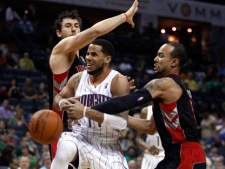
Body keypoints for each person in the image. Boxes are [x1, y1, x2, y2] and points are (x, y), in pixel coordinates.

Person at [68, 42, 207, 169]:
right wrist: (118, 117)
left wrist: (86, 110)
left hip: (185, 154)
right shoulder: (176, 86)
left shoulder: (165, 83)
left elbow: (128, 101)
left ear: (174, 62)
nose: (155, 59)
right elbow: (150, 127)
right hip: (180, 154)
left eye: (161, 56)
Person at [48, 0, 138, 164]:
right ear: (59, 33)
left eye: (76, 25)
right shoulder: (60, 51)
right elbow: (95, 31)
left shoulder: (83, 63)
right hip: (61, 126)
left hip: (83, 128)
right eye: (68, 26)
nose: (74, 28)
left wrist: (114, 89)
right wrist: (125, 16)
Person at [51, 39, 130, 169]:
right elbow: (57, 98)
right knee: (64, 149)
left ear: (107, 59)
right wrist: (62, 102)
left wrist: (85, 112)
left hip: (108, 146)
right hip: (79, 137)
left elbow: (122, 123)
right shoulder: (77, 78)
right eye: (87, 54)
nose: (88, 58)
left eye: (94, 54)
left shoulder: (118, 81)